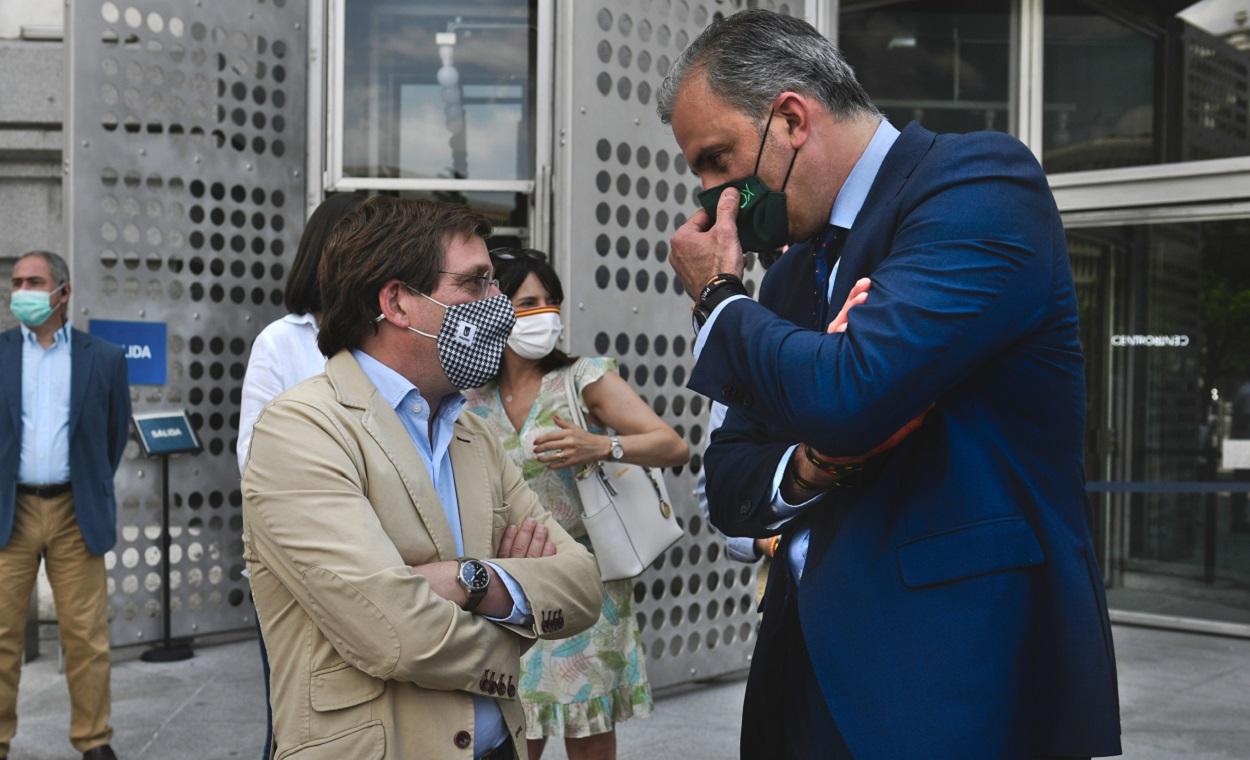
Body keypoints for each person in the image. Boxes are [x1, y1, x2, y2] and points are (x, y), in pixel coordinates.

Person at [658, 10, 1121, 760]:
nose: (714, 199)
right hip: (802, 678)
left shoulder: (978, 185)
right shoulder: (787, 278)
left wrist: (717, 298)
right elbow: (732, 477)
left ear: (791, 119)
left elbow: (850, 395)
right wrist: (811, 464)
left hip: (955, 682)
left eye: (717, 160)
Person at [242, 197, 603, 760]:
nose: (501, 307)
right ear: (398, 303)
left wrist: (466, 580)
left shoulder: (472, 434)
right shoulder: (300, 430)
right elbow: (394, 633)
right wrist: (512, 610)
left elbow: (581, 585)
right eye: (475, 283)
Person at [465, 249, 688, 760]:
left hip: (584, 584)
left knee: (586, 731)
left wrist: (601, 446)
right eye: (527, 302)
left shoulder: (580, 378)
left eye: (551, 301)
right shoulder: (471, 395)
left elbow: (671, 445)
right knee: (515, 731)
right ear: (495, 308)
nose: (544, 313)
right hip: (507, 590)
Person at [235, 191, 364, 760]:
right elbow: (254, 460)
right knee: (294, 720)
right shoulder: (281, 341)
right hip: (305, 566)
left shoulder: (386, 337)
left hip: (386, 564)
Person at [0, 251, 130, 760]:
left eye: (34, 281)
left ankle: (93, 739)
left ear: (64, 293)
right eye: (16, 282)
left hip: (76, 511)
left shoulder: (104, 358)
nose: (22, 291)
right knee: (2, 634)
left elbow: (113, 437)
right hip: (11, 512)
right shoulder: (2, 352)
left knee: (86, 637)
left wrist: (88, 485)